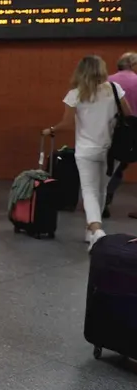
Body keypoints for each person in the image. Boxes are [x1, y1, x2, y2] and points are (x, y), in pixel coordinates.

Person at [42, 55, 132, 250]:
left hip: (86, 150)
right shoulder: (114, 90)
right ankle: (90, 233)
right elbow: (128, 114)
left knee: (89, 191)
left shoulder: (75, 94)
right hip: (112, 150)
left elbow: (66, 124)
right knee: (101, 190)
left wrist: (51, 130)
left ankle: (97, 231)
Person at [104, 51, 137, 219]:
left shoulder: (107, 81)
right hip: (134, 127)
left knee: (112, 164)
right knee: (124, 162)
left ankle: (104, 199)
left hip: (111, 128)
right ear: (132, 64)